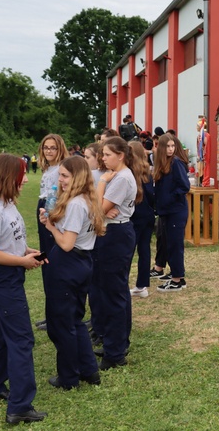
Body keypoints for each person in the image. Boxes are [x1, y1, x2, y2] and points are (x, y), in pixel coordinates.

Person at [0, 153, 46, 424]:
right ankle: (19, 406)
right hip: (2, 280)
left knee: (3, 334)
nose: (26, 179)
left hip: (12, 276)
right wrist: (22, 261)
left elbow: (10, 241)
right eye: (22, 174)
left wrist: (27, 251)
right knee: (22, 339)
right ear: (9, 177)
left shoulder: (8, 204)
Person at [38, 156, 105, 389]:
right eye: (60, 175)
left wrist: (50, 227)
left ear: (77, 177)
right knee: (74, 320)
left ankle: (68, 377)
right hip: (81, 262)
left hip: (68, 263)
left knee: (61, 323)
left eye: (65, 176)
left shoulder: (77, 203)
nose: (61, 180)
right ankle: (89, 370)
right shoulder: (86, 199)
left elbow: (67, 243)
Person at [92, 137, 139, 370]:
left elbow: (98, 209)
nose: (103, 158)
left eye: (107, 154)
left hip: (116, 234)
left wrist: (101, 185)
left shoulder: (120, 178)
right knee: (114, 291)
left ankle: (115, 352)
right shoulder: (118, 176)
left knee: (114, 293)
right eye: (102, 154)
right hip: (114, 233)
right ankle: (116, 342)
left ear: (120, 155)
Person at [34, 134, 69, 332]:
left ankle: (56, 316)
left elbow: (61, 195)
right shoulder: (48, 168)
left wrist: (51, 216)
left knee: (52, 263)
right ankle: (50, 314)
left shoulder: (61, 169)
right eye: (46, 147)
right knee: (45, 260)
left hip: (52, 212)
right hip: (43, 208)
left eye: (53, 148)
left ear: (60, 149)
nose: (48, 151)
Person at [153, 134, 191, 291]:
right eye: (167, 146)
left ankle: (177, 279)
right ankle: (177, 275)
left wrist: (169, 198)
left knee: (175, 245)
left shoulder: (176, 163)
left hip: (176, 210)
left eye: (173, 146)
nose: (170, 149)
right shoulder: (163, 163)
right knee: (169, 243)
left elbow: (184, 186)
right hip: (166, 211)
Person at [128, 141, 156, 298]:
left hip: (134, 216)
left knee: (128, 252)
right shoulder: (147, 171)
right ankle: (142, 285)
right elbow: (152, 194)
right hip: (148, 215)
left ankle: (123, 283)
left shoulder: (129, 172)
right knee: (144, 250)